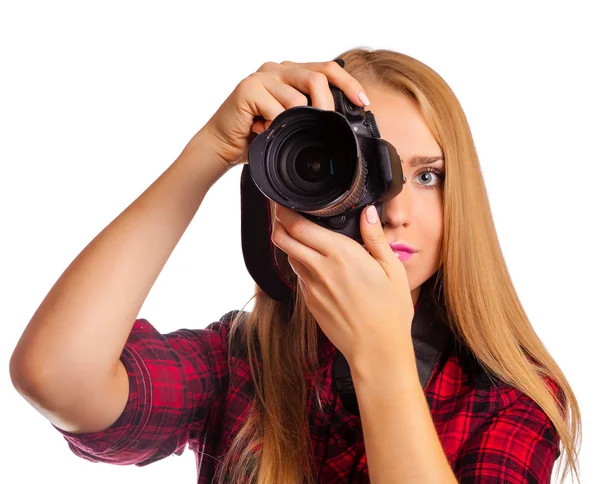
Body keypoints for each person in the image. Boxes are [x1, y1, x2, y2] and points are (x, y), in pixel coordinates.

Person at [9, 48, 581, 483]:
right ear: (299, 185)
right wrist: (208, 153)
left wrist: (380, 359)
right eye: (368, 174)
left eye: (427, 176)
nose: (397, 210)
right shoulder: (239, 362)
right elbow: (56, 376)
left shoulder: (508, 396)